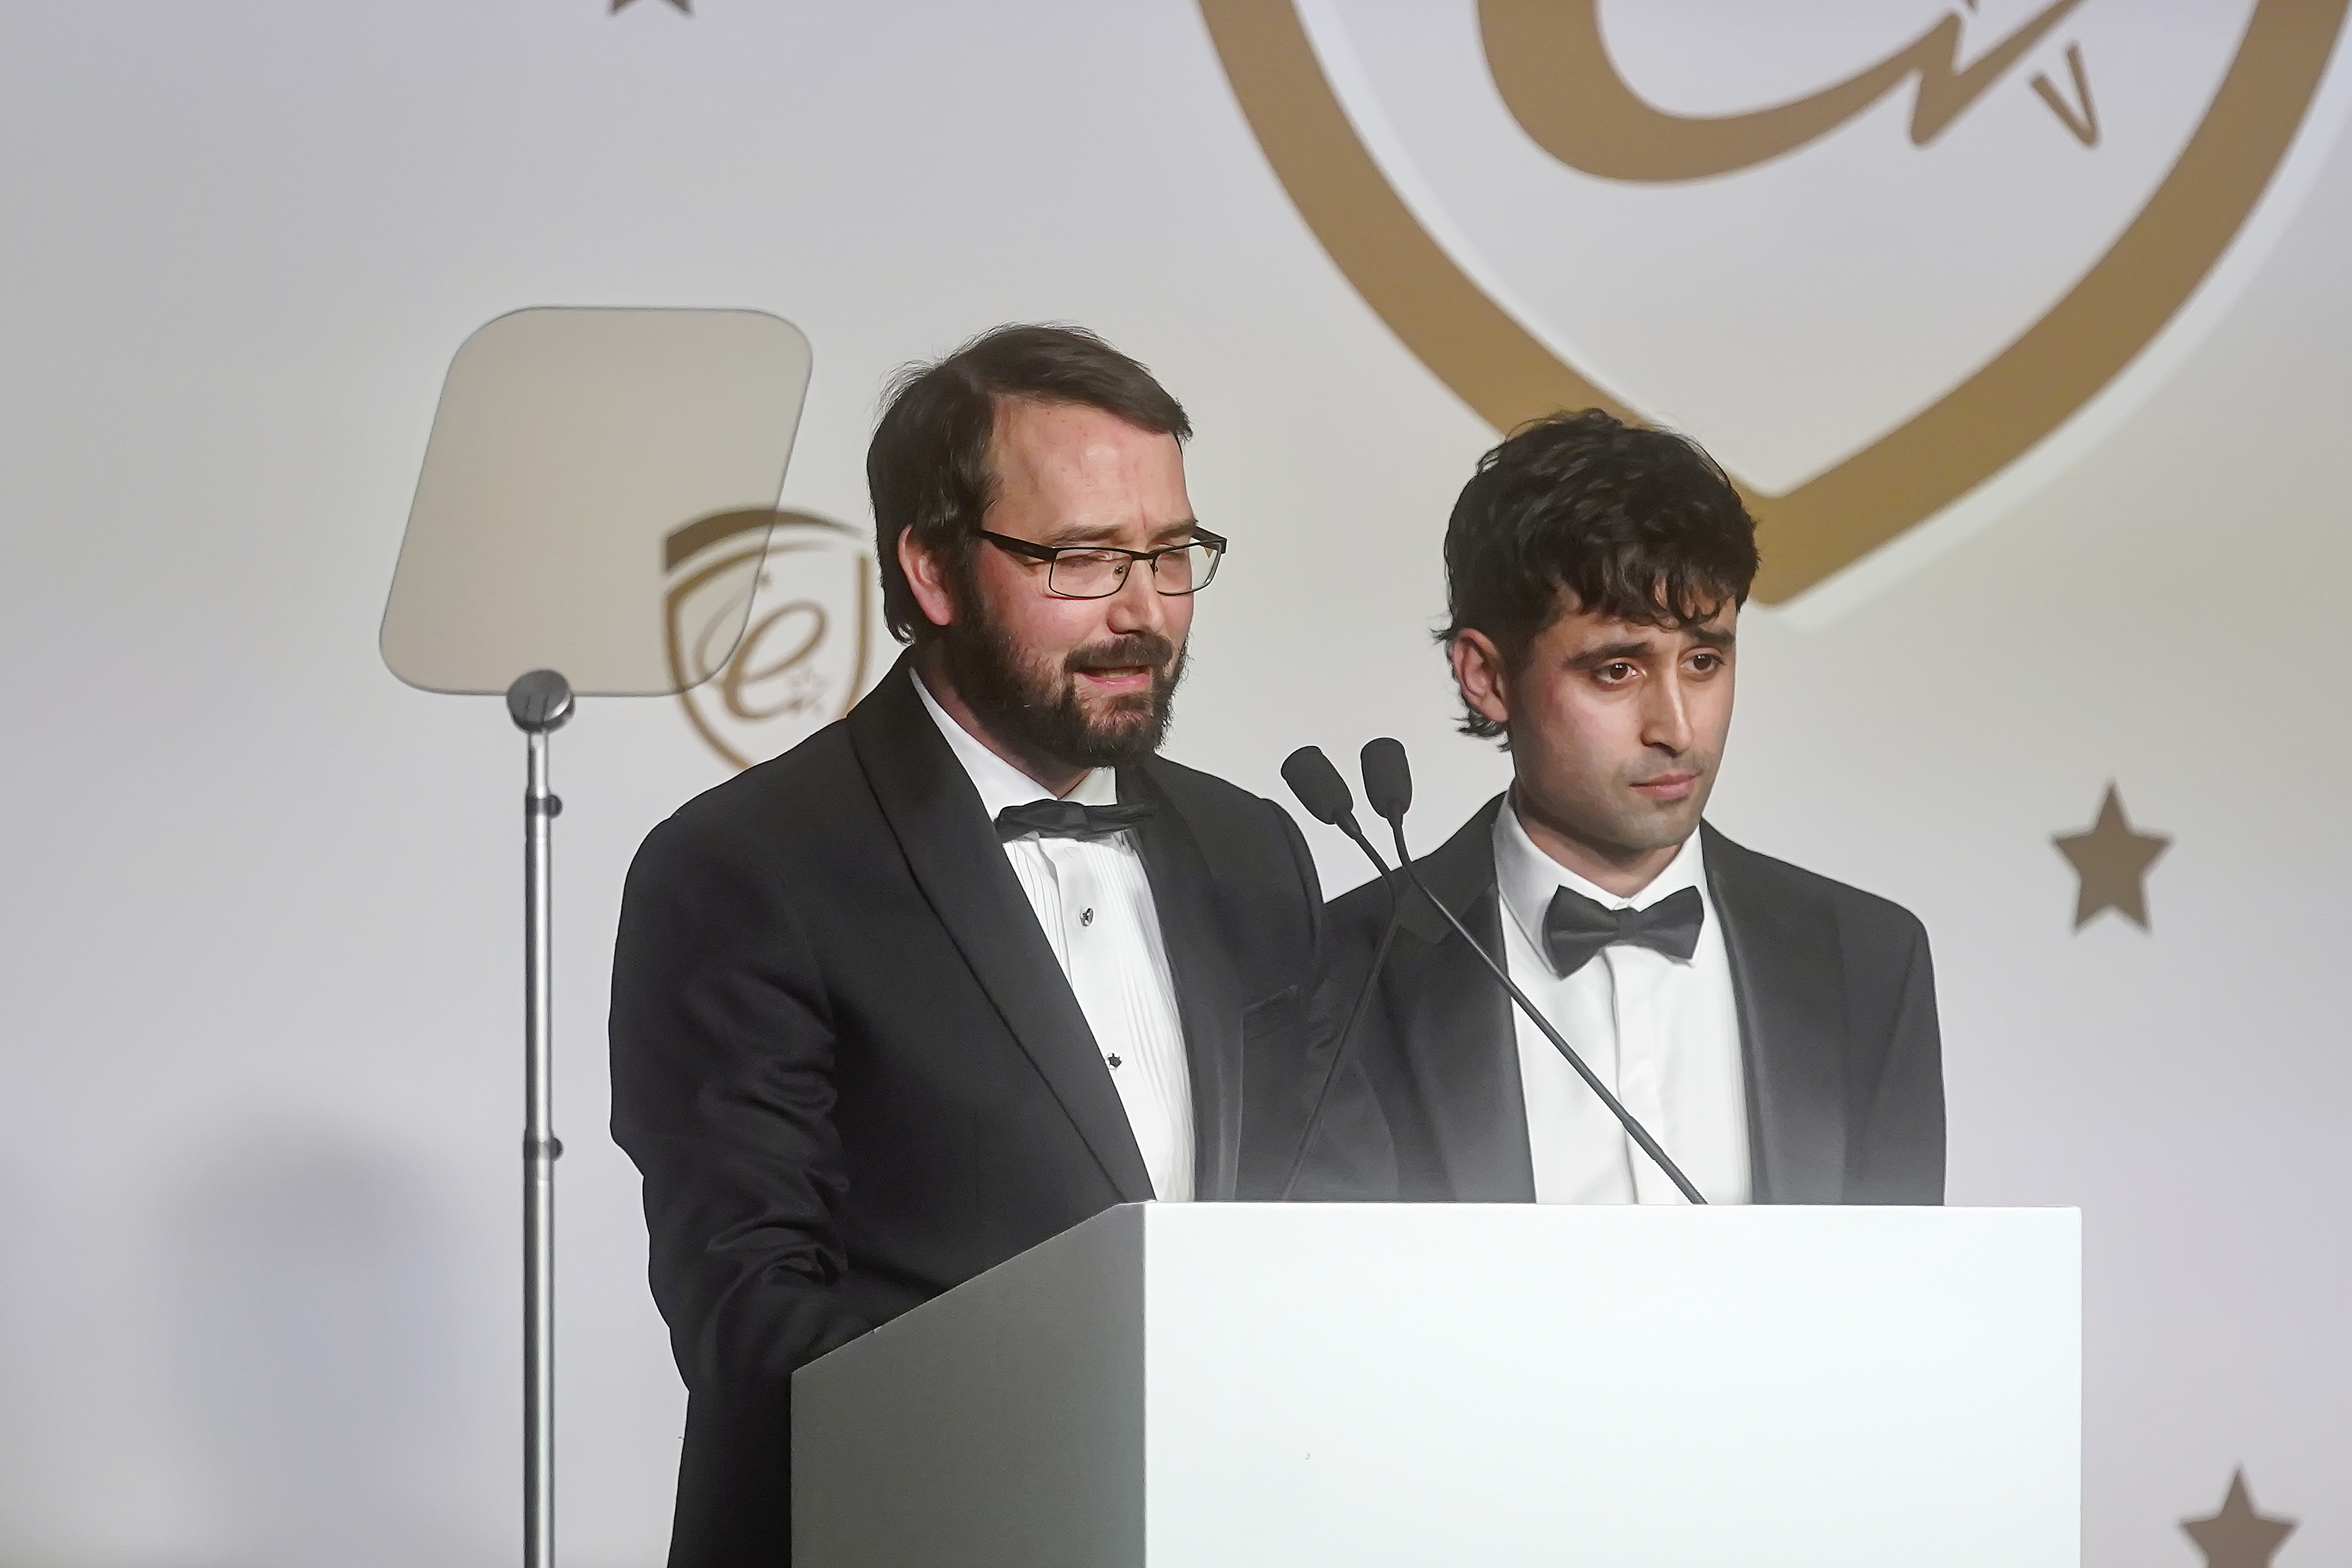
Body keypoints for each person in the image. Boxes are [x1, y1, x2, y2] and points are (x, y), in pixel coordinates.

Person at [609, 325, 1327, 1567]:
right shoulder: (744, 868)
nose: (1145, 612)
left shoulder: (1255, 847)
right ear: (934, 570)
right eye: (1083, 559)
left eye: (1171, 554)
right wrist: (1088, 1451)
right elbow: (755, 1317)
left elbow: (1323, 1220)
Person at [1322, 409, 1943, 1206]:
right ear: (1487, 677)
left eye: (1704, 661)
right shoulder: (1344, 971)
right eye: (1617, 670)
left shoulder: (1870, 960)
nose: (1677, 729)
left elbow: (1903, 1280)